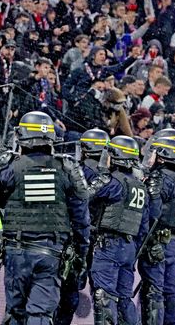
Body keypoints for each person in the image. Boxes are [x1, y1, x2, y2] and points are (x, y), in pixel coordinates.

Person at [0, 111, 91, 324]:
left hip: (16, 251)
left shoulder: (13, 168)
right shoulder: (66, 168)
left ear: (22, 137)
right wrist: (81, 256)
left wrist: (0, 164)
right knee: (40, 314)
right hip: (50, 253)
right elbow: (81, 218)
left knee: (15, 313)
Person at [87, 135, 149, 324]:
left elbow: (84, 196)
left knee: (104, 297)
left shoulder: (113, 183)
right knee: (124, 299)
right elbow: (144, 225)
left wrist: (103, 172)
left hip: (109, 245)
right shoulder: (140, 187)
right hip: (129, 247)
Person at [54, 127, 110, 325]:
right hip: (97, 240)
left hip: (72, 236)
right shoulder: (110, 175)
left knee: (65, 293)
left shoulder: (74, 170)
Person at [138, 135, 175, 325]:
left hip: (157, 241)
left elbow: (153, 213)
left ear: (162, 156)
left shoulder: (160, 177)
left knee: (154, 292)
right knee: (172, 291)